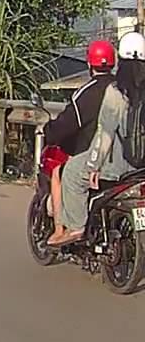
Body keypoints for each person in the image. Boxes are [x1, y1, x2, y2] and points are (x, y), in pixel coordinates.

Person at [48, 33, 145, 247]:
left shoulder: (116, 91)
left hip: (118, 166)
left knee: (72, 174)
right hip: (141, 168)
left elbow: (105, 134)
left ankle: (75, 227)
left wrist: (93, 166)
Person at [40, 38, 117, 243]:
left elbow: (67, 124)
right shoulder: (123, 88)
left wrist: (50, 131)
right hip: (126, 158)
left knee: (66, 174)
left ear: (89, 63)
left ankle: (70, 228)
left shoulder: (87, 92)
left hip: (97, 155)